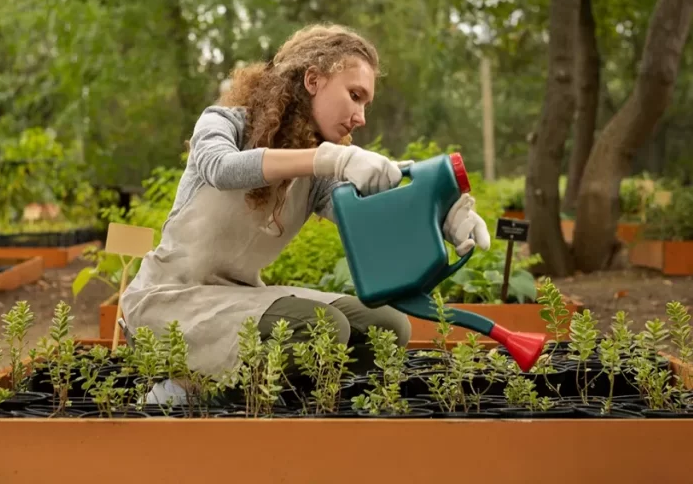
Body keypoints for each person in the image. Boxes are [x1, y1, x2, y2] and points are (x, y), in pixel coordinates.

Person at [120, 23, 491, 405]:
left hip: (238, 299)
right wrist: (328, 158)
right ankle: (187, 390)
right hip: (170, 301)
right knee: (323, 328)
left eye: (366, 103)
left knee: (387, 326)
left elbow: (372, 219)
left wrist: (441, 217)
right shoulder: (224, 123)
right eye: (355, 95)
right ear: (313, 79)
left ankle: (285, 401)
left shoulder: (315, 176)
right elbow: (221, 168)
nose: (361, 116)